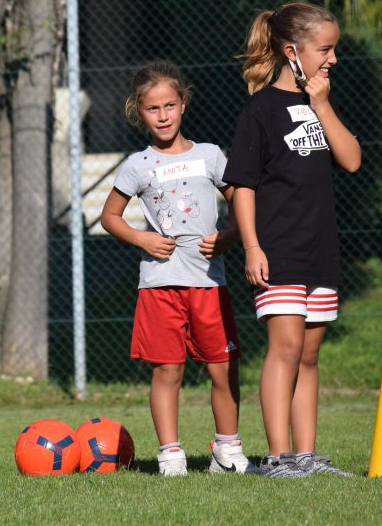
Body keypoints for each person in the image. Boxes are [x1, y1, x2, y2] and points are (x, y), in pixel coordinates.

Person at [223, 3, 361, 478]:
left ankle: (307, 456)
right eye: (325, 49)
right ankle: (278, 459)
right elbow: (242, 185)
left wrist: (321, 105)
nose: (333, 59)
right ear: (291, 52)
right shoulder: (259, 109)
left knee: (308, 353)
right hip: (278, 248)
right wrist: (252, 246)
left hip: (320, 248)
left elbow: (352, 160)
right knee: (284, 349)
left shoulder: (320, 102)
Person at [100, 60, 250, 476]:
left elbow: (243, 203)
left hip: (208, 284)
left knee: (223, 369)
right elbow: (110, 217)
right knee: (168, 370)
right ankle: (171, 455)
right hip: (159, 285)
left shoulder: (210, 156)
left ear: (183, 103)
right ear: (139, 111)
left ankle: (227, 451)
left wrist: (230, 236)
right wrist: (142, 238)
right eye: (153, 108)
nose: (163, 115)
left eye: (169, 105)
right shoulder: (136, 165)